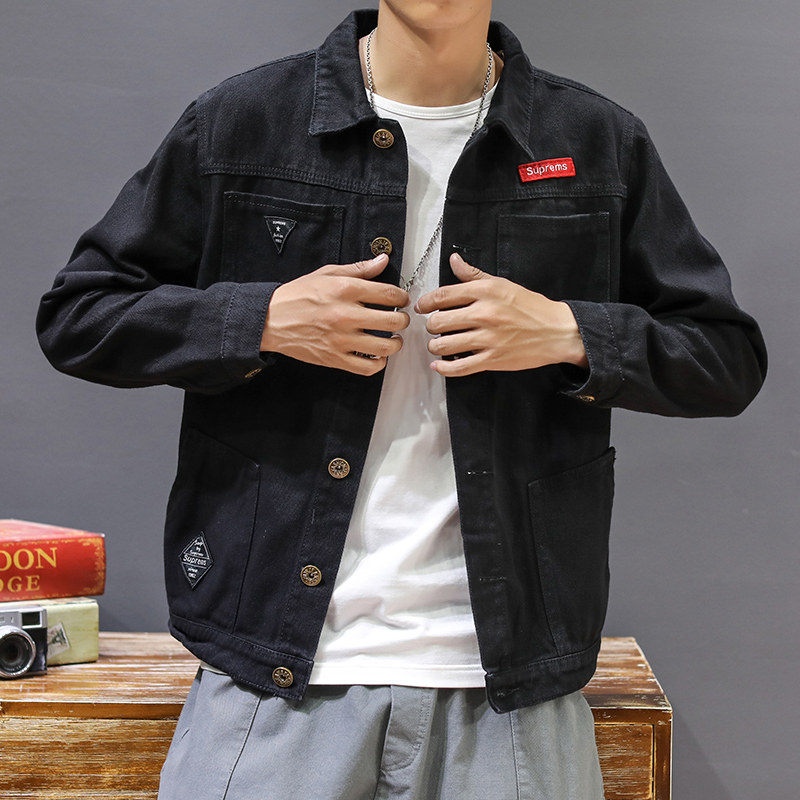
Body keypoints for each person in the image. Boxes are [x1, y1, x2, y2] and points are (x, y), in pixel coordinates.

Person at [37, 3, 766, 798]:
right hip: (274, 672)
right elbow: (80, 316)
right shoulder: (245, 123)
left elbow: (725, 359)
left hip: (511, 685)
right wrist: (263, 319)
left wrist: (568, 331)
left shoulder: (595, 141)